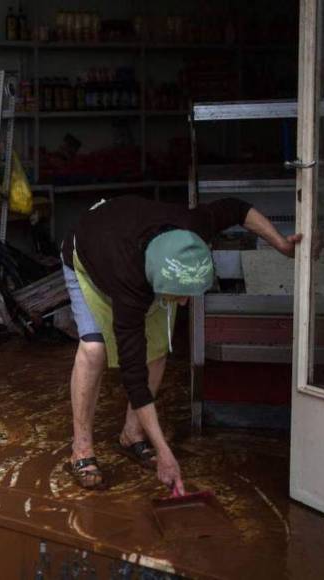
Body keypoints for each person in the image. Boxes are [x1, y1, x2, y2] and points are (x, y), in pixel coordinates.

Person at [61, 195, 301, 492]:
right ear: (157, 280)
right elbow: (133, 376)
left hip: (136, 244)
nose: (186, 303)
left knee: (158, 348)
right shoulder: (129, 287)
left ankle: (132, 435)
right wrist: (165, 452)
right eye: (180, 294)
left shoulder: (192, 230)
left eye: (191, 294)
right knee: (94, 348)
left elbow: (236, 209)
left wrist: (281, 244)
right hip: (87, 256)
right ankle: (82, 449)